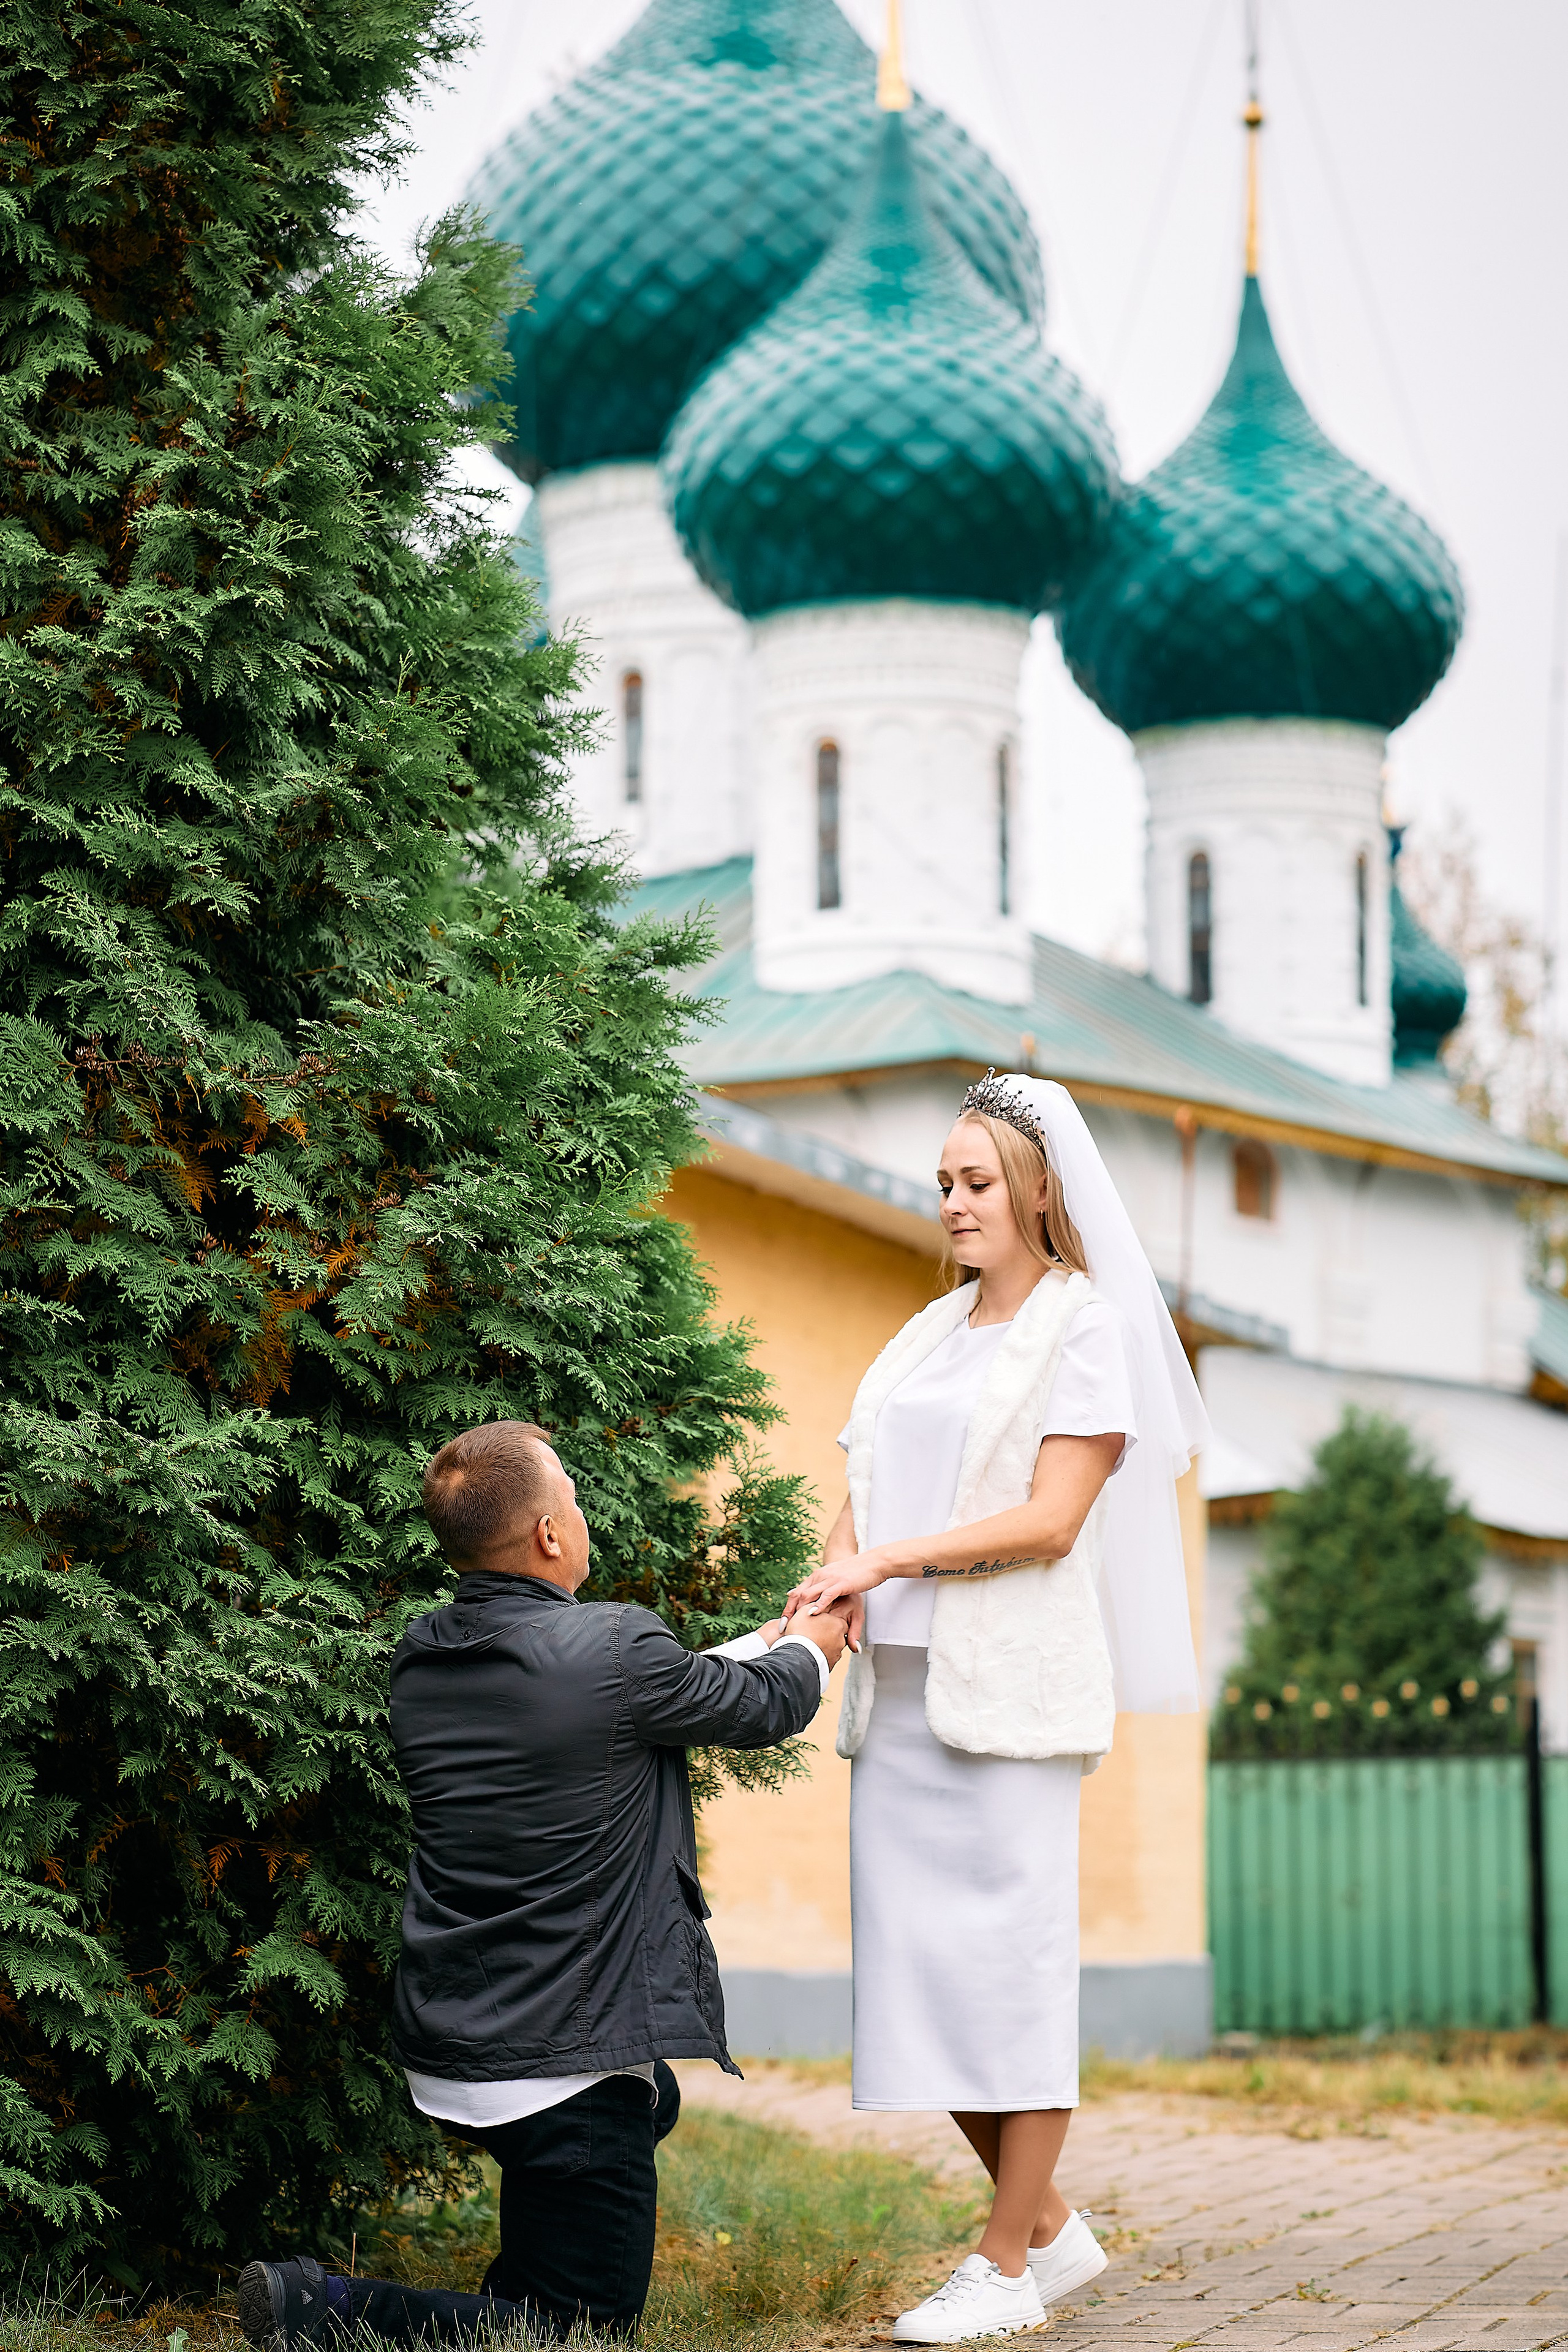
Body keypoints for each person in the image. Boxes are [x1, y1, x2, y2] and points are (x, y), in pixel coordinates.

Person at [239, 1420, 845, 2350]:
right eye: (570, 1493)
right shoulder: (611, 1649)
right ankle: (324, 2308)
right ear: (551, 1536)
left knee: (629, 2135)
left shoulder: (427, 1653)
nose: (579, 1508)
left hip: (460, 2030)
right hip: (566, 2062)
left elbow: (664, 1687)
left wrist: (773, 1632)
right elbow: (768, 1702)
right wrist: (820, 1634)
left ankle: (536, 2254)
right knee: (577, 2330)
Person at [786, 1071, 1208, 2345]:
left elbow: (1049, 1518)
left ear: (1034, 1191)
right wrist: (826, 1587)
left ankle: (1002, 2270)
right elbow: (866, 1478)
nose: (955, 1204)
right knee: (919, 1984)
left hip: (1012, 1702)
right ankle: (1055, 2229)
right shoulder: (923, 1334)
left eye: (976, 1184)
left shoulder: (1085, 1329)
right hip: (901, 1700)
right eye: (944, 1185)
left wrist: (887, 1563)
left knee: (1011, 1979)